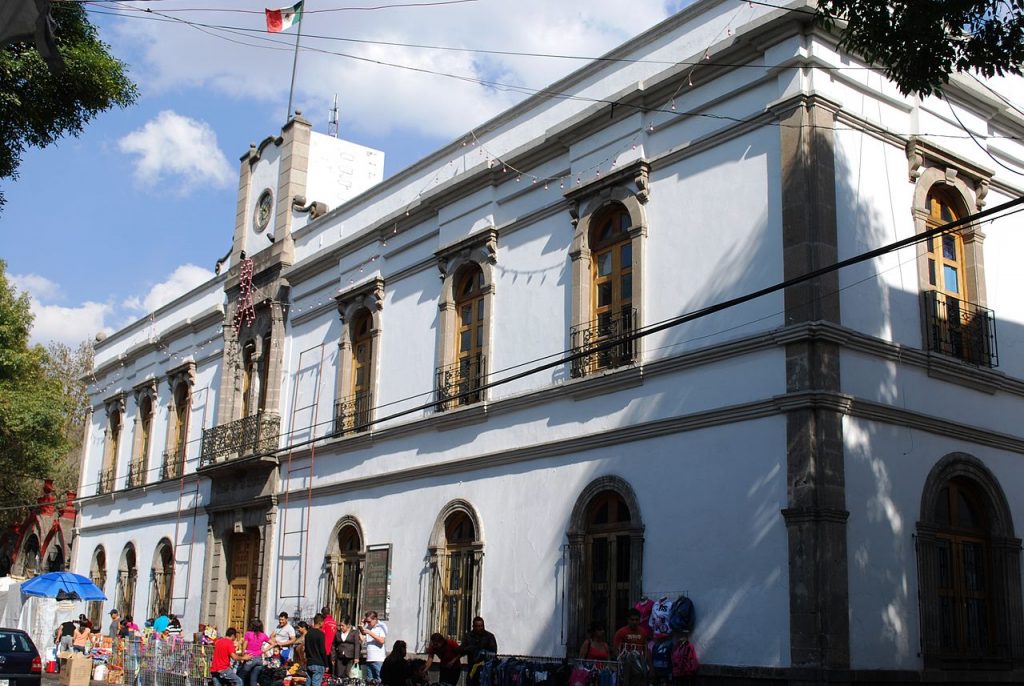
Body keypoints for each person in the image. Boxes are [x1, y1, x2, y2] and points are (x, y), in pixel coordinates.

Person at [460, 617, 496, 686]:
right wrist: (470, 648)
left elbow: (494, 652)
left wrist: (483, 653)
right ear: (473, 626)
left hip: (486, 670)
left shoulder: (489, 636)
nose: (480, 628)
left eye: (482, 626)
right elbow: (461, 649)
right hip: (472, 669)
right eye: (478, 626)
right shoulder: (469, 636)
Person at [358, 611, 388, 683]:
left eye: (369, 621)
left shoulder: (381, 626)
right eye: (367, 621)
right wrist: (361, 626)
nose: (368, 623)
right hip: (369, 658)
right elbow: (362, 638)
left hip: (378, 659)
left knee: (379, 680)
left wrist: (370, 632)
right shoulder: (367, 626)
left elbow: (382, 641)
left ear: (375, 619)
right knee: (370, 681)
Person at [239, 619, 270, 686]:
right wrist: (264, 650)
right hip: (259, 659)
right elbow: (273, 643)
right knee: (254, 679)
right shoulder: (263, 635)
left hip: (250, 658)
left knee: (241, 676)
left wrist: (243, 656)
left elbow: (244, 647)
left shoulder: (248, 634)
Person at [300, 615, 329, 686]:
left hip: (310, 663)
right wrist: (326, 664)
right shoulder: (321, 634)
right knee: (316, 684)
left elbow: (306, 649)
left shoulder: (308, 634)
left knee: (308, 684)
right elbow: (322, 650)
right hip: (318, 663)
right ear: (320, 623)